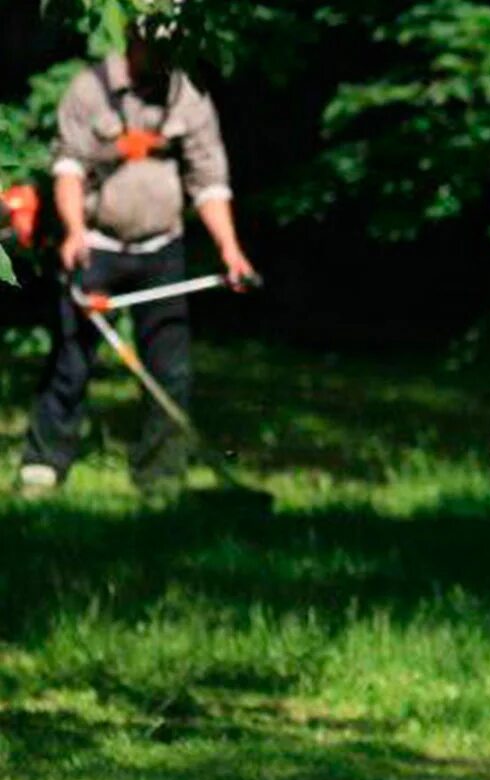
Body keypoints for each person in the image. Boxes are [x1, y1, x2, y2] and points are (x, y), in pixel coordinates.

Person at [16, 7, 255, 496]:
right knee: (71, 362)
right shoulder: (89, 90)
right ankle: (43, 467)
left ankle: (160, 477)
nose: (163, 58)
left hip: (161, 248)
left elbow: (209, 182)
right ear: (132, 40)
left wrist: (231, 250)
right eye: (155, 47)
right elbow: (67, 169)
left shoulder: (189, 95)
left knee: (170, 368)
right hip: (96, 247)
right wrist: (75, 232)